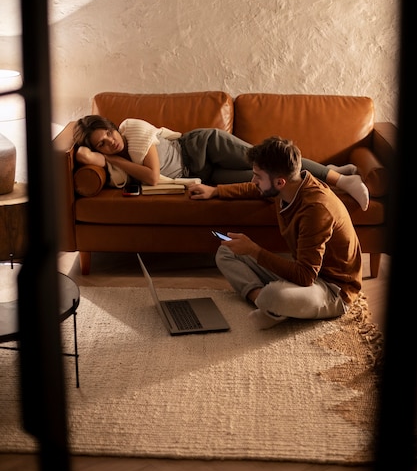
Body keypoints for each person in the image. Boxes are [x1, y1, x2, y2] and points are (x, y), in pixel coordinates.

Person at [188, 136, 362, 329]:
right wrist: (216, 191)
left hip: (332, 289)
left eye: (258, 176)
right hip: (305, 271)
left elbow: (305, 276)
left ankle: (273, 304)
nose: (253, 180)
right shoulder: (288, 187)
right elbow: (255, 189)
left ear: (280, 182)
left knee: (275, 295)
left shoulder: (317, 209)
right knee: (226, 251)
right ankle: (266, 304)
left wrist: (254, 250)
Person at [72, 114, 369, 210]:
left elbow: (151, 176)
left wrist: (110, 157)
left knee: (271, 161)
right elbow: (85, 156)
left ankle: (342, 180)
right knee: (267, 178)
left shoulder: (131, 129)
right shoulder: (114, 163)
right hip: (205, 175)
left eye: (108, 133)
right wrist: (104, 157)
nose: (111, 141)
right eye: (102, 142)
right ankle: (331, 172)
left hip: (201, 147)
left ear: (113, 126)